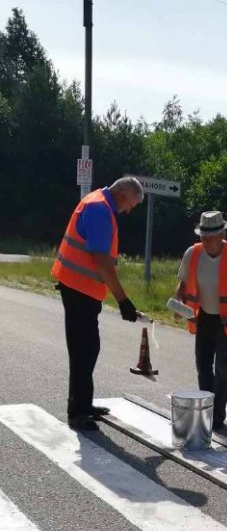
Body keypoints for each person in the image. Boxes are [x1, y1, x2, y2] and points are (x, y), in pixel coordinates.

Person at [51, 176, 144, 431]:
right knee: (83, 350)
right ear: (123, 192)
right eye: (131, 204)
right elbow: (102, 262)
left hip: (80, 289)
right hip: (78, 289)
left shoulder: (98, 203)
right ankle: (78, 412)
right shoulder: (100, 209)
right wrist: (123, 300)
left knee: (88, 348)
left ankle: (83, 404)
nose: (129, 210)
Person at [175, 210, 227, 430]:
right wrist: (178, 303)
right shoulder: (192, 253)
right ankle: (206, 410)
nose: (207, 241)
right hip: (203, 317)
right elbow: (183, 284)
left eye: (211, 237)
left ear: (222, 234)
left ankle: (217, 417)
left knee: (222, 369)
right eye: (203, 236)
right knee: (203, 366)